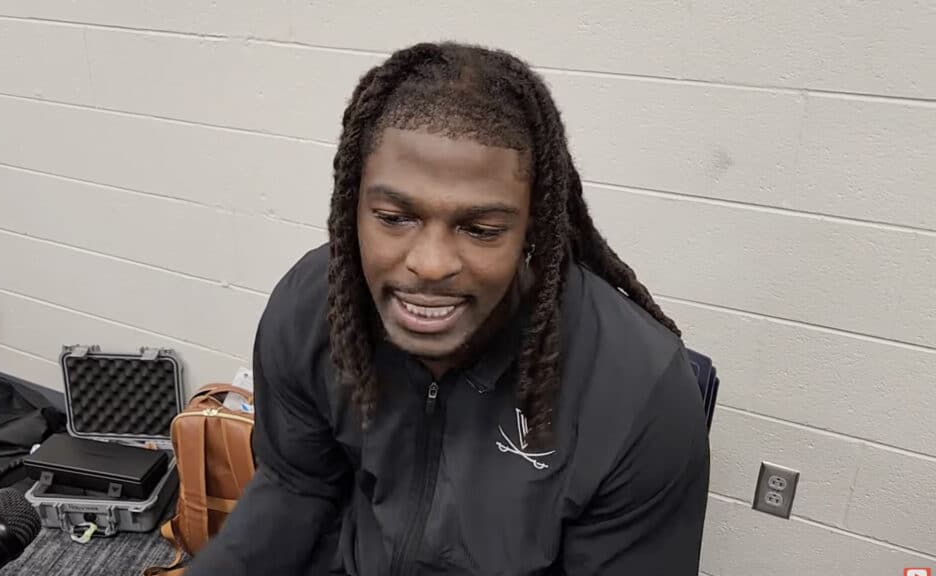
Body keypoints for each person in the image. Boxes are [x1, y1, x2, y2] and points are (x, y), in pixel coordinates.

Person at [187, 41, 710, 575]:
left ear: (531, 227)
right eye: (394, 218)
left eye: (481, 229)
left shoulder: (640, 390)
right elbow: (297, 485)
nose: (431, 264)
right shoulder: (311, 307)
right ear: (352, 205)